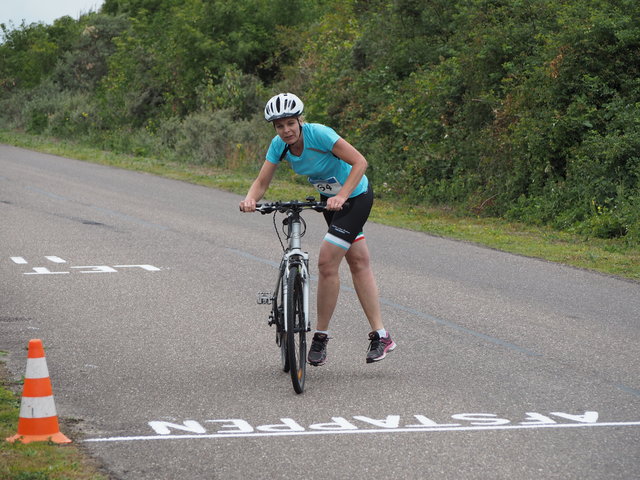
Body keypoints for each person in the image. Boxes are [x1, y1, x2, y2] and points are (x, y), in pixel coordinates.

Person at [240, 93, 395, 365]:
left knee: (326, 263)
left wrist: (343, 197)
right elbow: (262, 180)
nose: (286, 130)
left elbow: (360, 162)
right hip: (331, 199)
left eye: (290, 123)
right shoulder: (279, 145)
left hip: (354, 196)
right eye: (279, 125)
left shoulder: (320, 135)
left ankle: (320, 337)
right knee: (358, 262)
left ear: (300, 120)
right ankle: (382, 336)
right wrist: (251, 198)